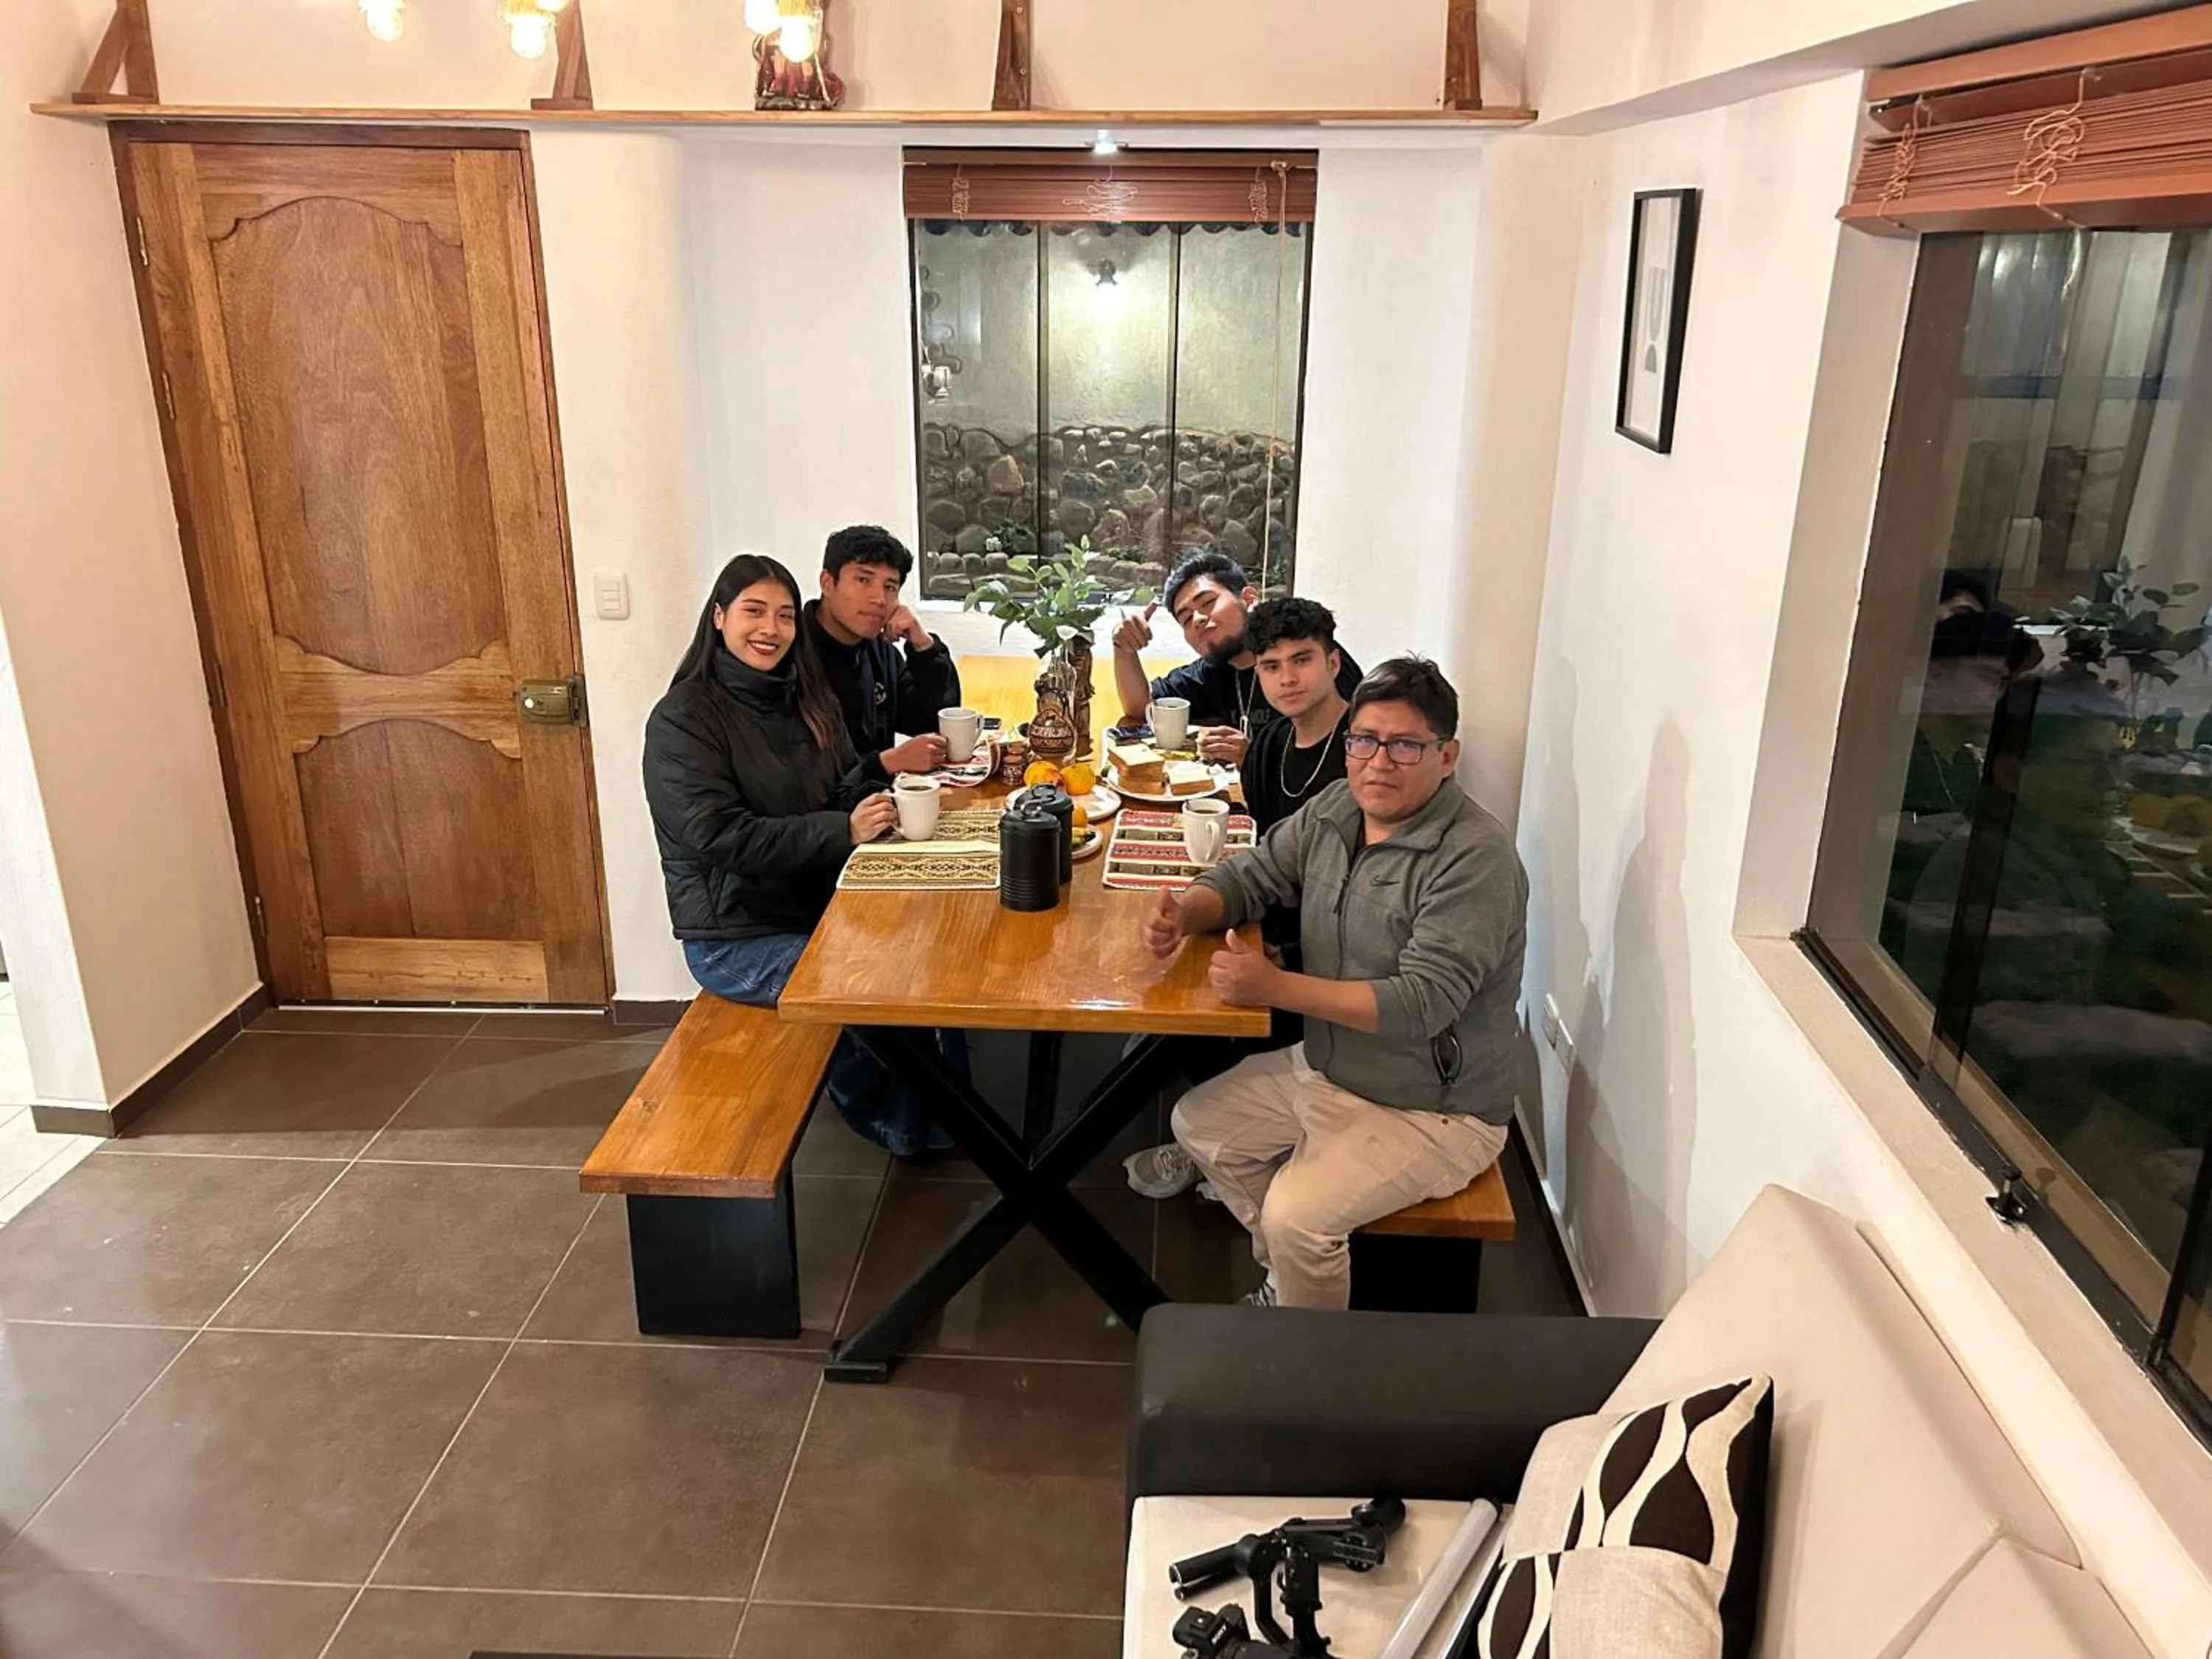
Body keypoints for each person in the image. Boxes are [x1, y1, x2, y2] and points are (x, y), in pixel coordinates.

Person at [1134, 657, 1528, 1309]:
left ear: (1447, 755)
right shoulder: (1341, 806)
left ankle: (1310, 1368)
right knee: (1198, 1124)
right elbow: (1256, 873)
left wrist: (1274, 989)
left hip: (1436, 1109)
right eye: (1364, 741)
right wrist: (1188, 911)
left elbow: (1422, 1003)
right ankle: (1292, 1286)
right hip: (1332, 1064)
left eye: (1405, 745)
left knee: (1297, 1216)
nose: (1378, 762)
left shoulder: (1476, 858)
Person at [644, 554, 942, 1158]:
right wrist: (842, 830)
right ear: (720, 616)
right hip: (737, 935)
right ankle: (907, 1125)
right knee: (879, 989)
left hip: (814, 903)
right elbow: (721, 836)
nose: (771, 629)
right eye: (754, 611)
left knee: (931, 951)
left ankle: (948, 1106)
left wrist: (881, 799)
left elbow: (839, 786)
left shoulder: (803, 697)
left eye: (783, 615)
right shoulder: (682, 719)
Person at [1124, 597, 1352, 1196]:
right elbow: (1267, 858)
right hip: (1279, 929)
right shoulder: (1273, 745)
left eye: (1302, 660)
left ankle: (1236, 1147)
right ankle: (1223, 1135)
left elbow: (1358, 888)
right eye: (1272, 665)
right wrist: (1191, 908)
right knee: (1181, 965)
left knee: (1208, 1003)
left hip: (1341, 960)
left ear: (1333, 662)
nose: (1288, 678)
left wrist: (1287, 944)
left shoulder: (1364, 755)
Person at [1110, 551, 1362, 768]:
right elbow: (1141, 709)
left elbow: (1345, 761)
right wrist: (1124, 648)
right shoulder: (1213, 671)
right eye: (1186, 618)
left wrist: (1253, 757)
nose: (1198, 619)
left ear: (1249, 598)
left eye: (1208, 603)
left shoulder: (1309, 659)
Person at [802, 524, 961, 779]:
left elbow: (932, 723)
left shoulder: (878, 649)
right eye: (863, 580)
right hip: (825, 816)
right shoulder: (791, 655)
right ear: (827, 583)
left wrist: (923, 647)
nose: (879, 599)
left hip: (878, 804)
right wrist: (890, 761)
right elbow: (803, 779)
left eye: (890, 587)